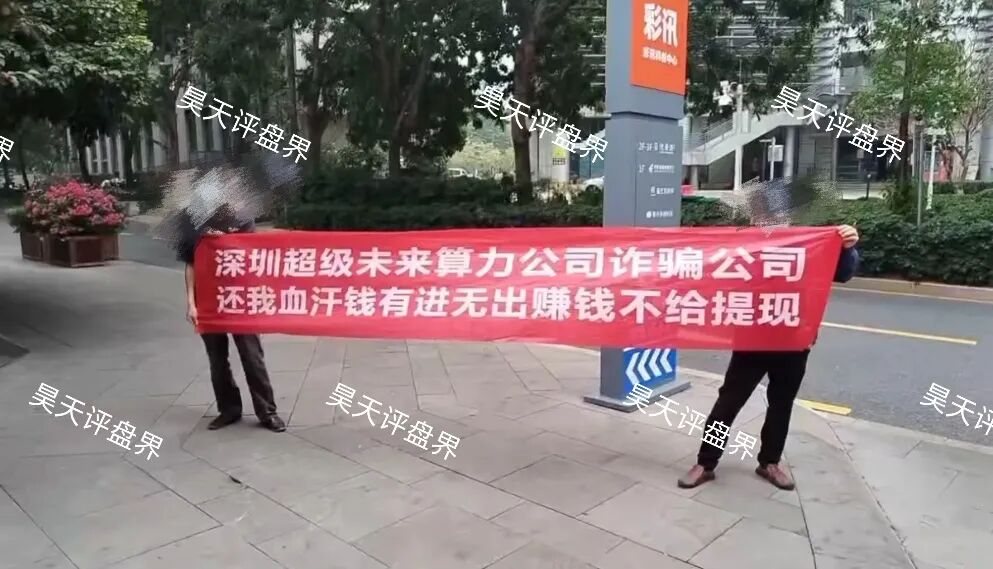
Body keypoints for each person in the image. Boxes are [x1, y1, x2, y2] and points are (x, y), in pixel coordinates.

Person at [677, 224, 860, 490]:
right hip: (753, 337)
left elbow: (842, 273)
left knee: (781, 405)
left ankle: (770, 462)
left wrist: (846, 249)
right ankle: (705, 463)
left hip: (794, 338)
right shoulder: (749, 243)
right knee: (728, 403)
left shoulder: (809, 242)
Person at [178, 185, 286, 433]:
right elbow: (191, 265)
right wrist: (191, 303)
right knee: (217, 359)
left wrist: (223, 240)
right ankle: (228, 409)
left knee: (252, 355)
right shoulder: (192, 222)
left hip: (239, 298)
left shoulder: (242, 216)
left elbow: (251, 255)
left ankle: (267, 411)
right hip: (208, 299)